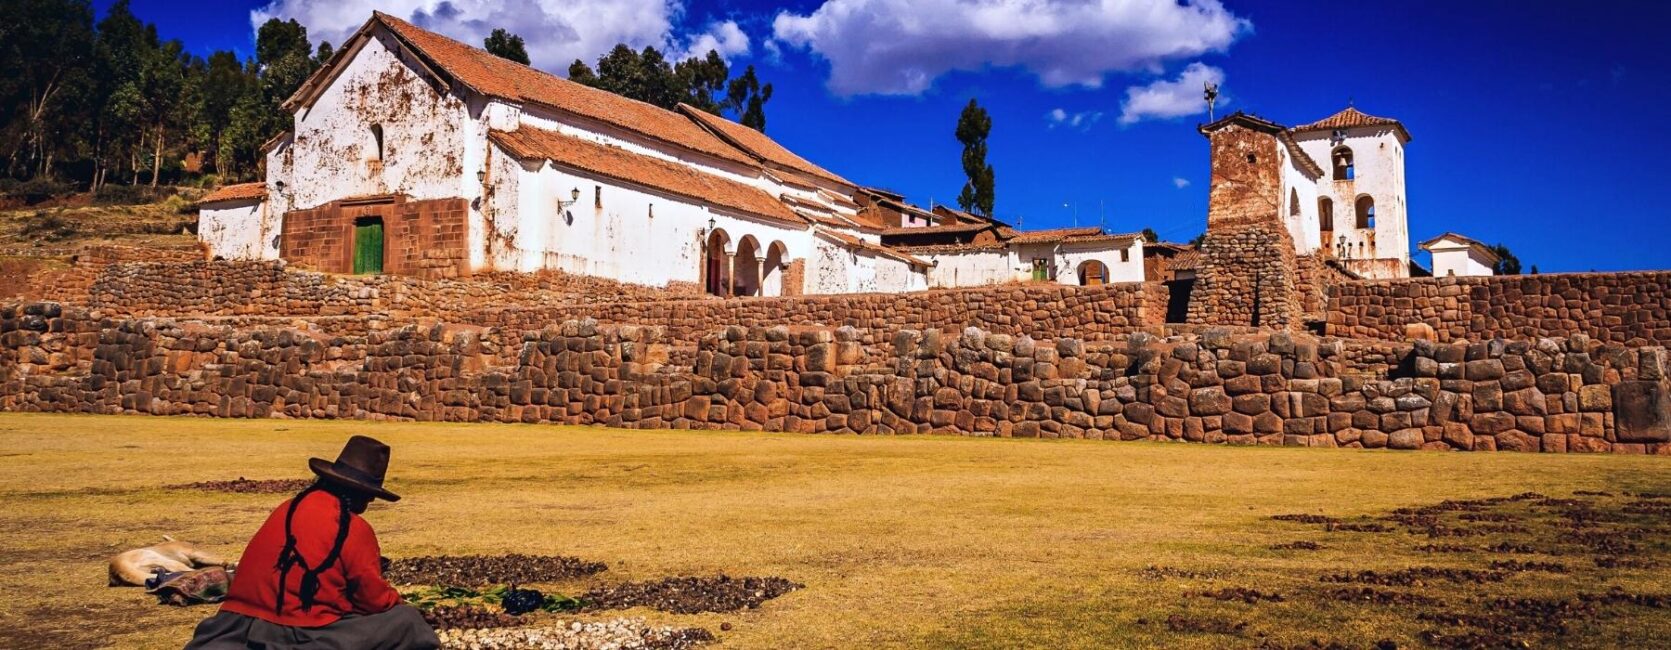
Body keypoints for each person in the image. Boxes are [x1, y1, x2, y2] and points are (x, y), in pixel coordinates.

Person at [184, 435, 439, 650]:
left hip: (233, 625)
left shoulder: (288, 507)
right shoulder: (352, 527)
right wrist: (397, 600)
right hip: (299, 631)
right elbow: (371, 598)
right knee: (407, 622)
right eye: (369, 496)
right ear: (358, 492)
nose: (369, 504)